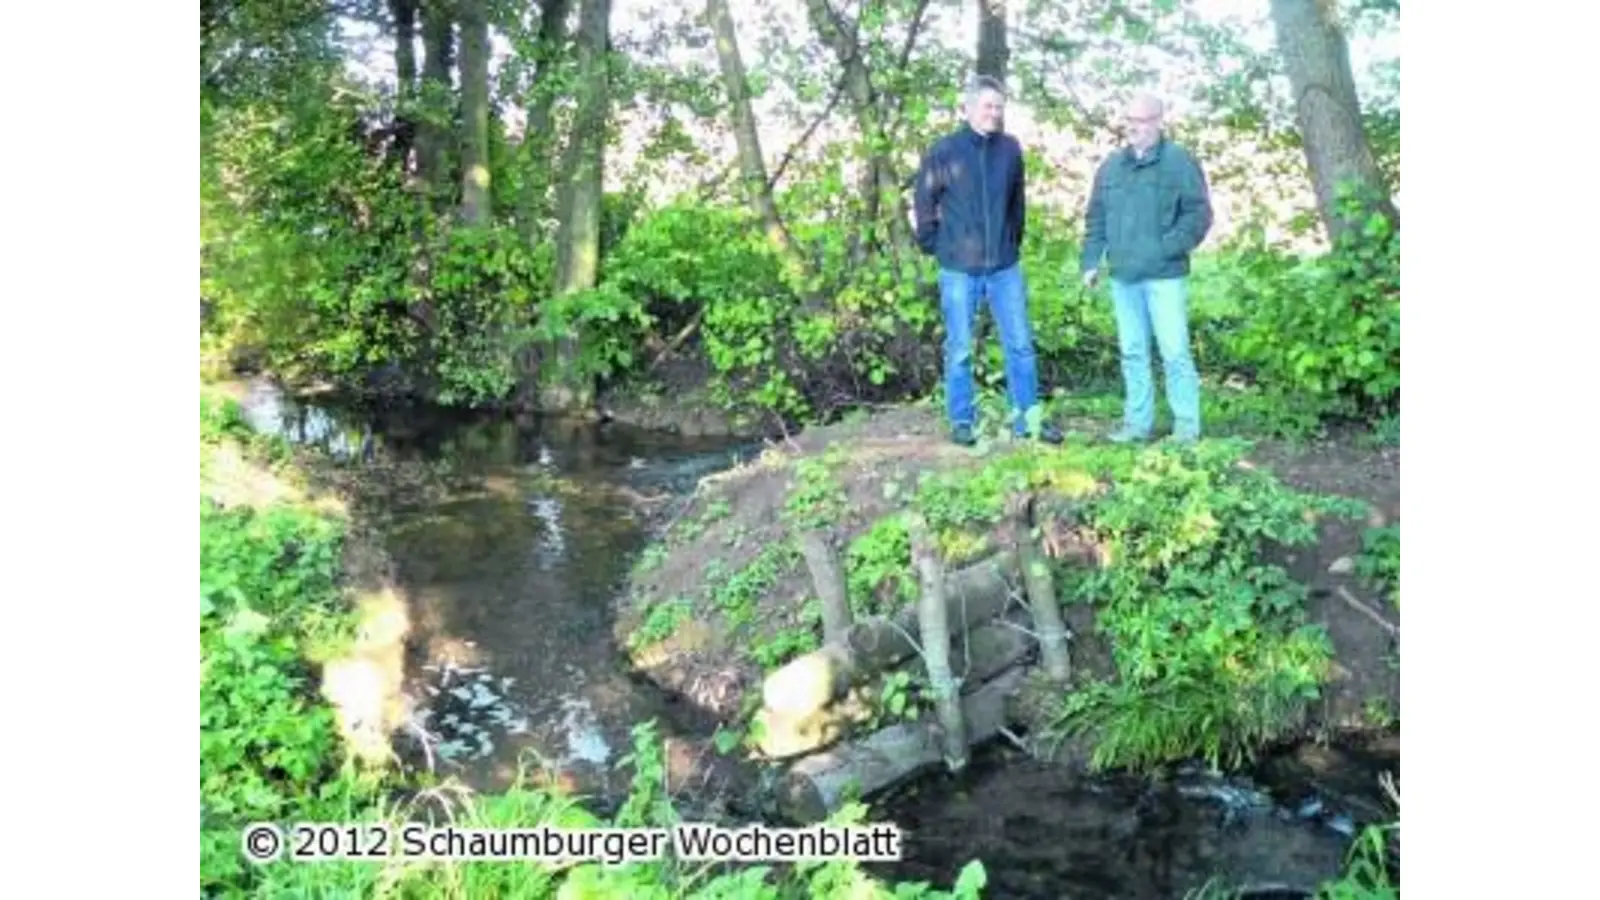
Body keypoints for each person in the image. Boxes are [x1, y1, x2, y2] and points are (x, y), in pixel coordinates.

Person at [914, 75, 1062, 447]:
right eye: (987, 106)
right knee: (961, 348)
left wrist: (1011, 242)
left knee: (1020, 345)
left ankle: (1027, 419)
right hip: (959, 269)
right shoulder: (944, 151)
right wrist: (936, 246)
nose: (993, 113)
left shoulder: (1010, 150)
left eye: (999, 107)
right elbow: (924, 202)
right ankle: (962, 420)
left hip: (1004, 267)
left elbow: (1017, 204)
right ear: (968, 108)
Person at [1080, 93, 1214, 444]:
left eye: (1139, 122)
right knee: (1133, 352)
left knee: (1175, 352)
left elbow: (1199, 215)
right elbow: (1096, 218)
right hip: (1123, 278)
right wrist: (1091, 261)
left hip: (1165, 277)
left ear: (1158, 122)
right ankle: (1137, 425)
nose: (1132, 128)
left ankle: (1186, 429)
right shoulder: (1111, 167)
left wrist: (1165, 249)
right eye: (1128, 121)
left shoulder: (1179, 162)